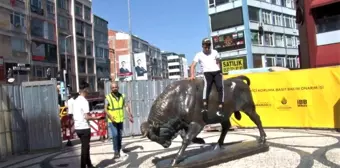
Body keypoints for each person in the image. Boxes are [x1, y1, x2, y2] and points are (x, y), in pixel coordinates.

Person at [70, 81, 104, 168]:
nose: (89, 91)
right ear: (85, 90)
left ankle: (89, 165)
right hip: (84, 127)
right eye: (88, 89)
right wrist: (98, 118)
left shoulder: (75, 100)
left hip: (77, 127)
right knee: (84, 149)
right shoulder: (84, 101)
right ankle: (83, 166)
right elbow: (87, 117)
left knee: (86, 147)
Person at [189, 37, 224, 117]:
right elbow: (193, 65)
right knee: (207, 87)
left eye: (209, 46)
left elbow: (219, 61)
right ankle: (205, 106)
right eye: (205, 46)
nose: (207, 48)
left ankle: (220, 107)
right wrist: (192, 75)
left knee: (220, 87)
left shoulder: (215, 52)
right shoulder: (199, 54)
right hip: (207, 73)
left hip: (216, 72)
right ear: (202, 46)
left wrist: (221, 71)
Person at [105, 82, 133, 159]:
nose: (114, 88)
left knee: (120, 135)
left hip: (120, 119)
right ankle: (116, 151)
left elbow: (126, 106)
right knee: (115, 135)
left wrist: (129, 114)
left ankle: (120, 149)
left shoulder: (122, 96)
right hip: (112, 120)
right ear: (111, 89)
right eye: (113, 87)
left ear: (118, 88)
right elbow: (105, 109)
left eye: (116, 87)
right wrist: (110, 116)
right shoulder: (108, 97)